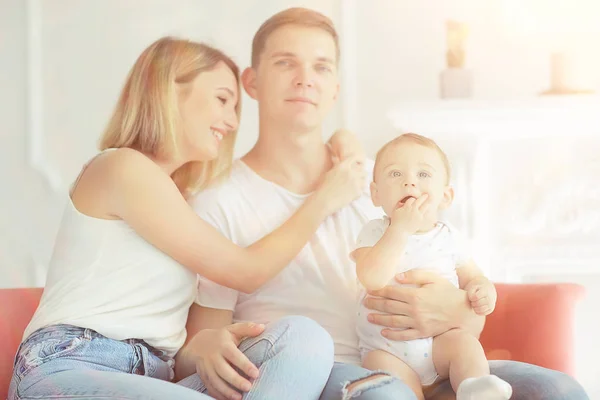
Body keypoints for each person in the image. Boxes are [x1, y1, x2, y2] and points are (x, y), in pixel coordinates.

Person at [180, 6, 589, 400]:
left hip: (434, 358)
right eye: (286, 63)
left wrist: (460, 311)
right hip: (326, 374)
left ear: (335, 88)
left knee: (559, 390)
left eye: (321, 66)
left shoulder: (385, 179)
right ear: (251, 82)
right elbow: (201, 342)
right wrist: (203, 350)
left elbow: (465, 295)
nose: (306, 79)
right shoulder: (220, 201)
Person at [8, 36, 366, 400]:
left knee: (303, 339)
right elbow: (246, 271)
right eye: (223, 99)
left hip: (155, 377)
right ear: (170, 91)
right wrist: (325, 199)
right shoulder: (120, 168)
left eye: (236, 108)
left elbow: (173, 347)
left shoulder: (180, 201)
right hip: (69, 365)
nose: (231, 122)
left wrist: (205, 348)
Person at [352, 133, 512, 400]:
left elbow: (473, 276)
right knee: (385, 378)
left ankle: (474, 387)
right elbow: (371, 277)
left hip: (441, 345)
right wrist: (400, 229)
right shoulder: (374, 232)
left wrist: (483, 289)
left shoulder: (450, 237)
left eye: (423, 174)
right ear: (376, 194)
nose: (409, 181)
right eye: (395, 174)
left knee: (466, 346)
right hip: (387, 349)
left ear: (446, 196)